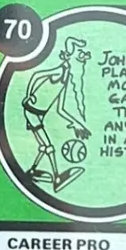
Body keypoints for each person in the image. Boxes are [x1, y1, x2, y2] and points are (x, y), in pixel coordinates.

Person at [20, 34, 91, 191]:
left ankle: (32, 171)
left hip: (39, 115)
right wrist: (29, 95)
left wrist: (77, 124)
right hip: (32, 112)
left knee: (43, 145)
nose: (83, 58)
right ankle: (57, 177)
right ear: (69, 58)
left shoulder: (65, 80)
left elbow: (60, 109)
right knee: (49, 147)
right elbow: (36, 75)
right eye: (79, 55)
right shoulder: (60, 71)